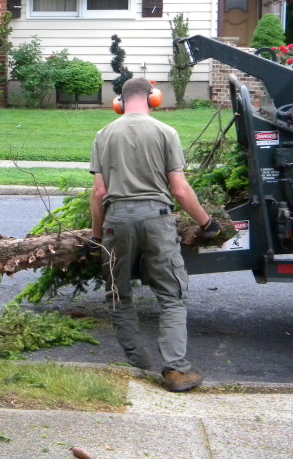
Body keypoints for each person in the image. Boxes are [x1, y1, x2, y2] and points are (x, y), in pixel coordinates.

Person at [88, 77, 220, 392]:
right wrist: (206, 222)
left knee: (118, 292)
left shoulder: (104, 134)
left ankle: (137, 356)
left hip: (116, 220)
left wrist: (96, 238)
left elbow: (99, 193)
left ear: (119, 101)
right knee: (172, 296)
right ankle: (175, 370)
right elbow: (180, 189)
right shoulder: (166, 132)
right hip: (157, 219)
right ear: (153, 98)